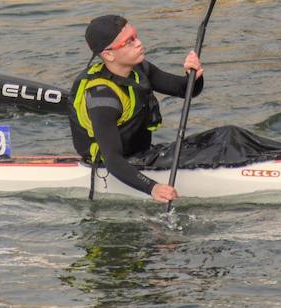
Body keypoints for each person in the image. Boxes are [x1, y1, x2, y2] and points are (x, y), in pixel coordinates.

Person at [68, 14, 204, 203]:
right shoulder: (102, 97)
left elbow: (185, 90)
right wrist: (153, 188)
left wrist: (194, 75)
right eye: (129, 41)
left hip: (143, 155)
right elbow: (112, 160)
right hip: (118, 166)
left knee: (228, 135)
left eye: (136, 36)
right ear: (109, 54)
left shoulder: (139, 69)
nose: (139, 43)